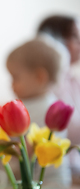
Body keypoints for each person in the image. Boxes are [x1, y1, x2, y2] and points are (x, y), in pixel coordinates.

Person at [6, 38, 72, 189]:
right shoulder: (28, 105)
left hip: (51, 184)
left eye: (15, 77)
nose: (11, 84)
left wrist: (2, 148)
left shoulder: (49, 109)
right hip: (32, 181)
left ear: (39, 77)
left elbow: (29, 149)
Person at [37, 15, 80, 177]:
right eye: (75, 36)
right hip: (58, 168)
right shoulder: (47, 85)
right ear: (55, 41)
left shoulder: (75, 81)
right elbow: (64, 130)